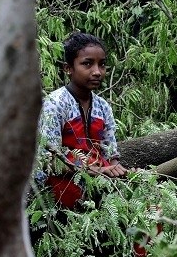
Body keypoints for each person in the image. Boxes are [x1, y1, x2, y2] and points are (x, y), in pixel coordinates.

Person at [38, 31, 126, 207]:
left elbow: (110, 154)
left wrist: (118, 171)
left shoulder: (103, 107)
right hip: (57, 191)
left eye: (102, 65)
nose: (97, 72)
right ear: (68, 68)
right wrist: (96, 170)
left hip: (98, 188)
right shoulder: (55, 104)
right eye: (87, 64)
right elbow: (49, 161)